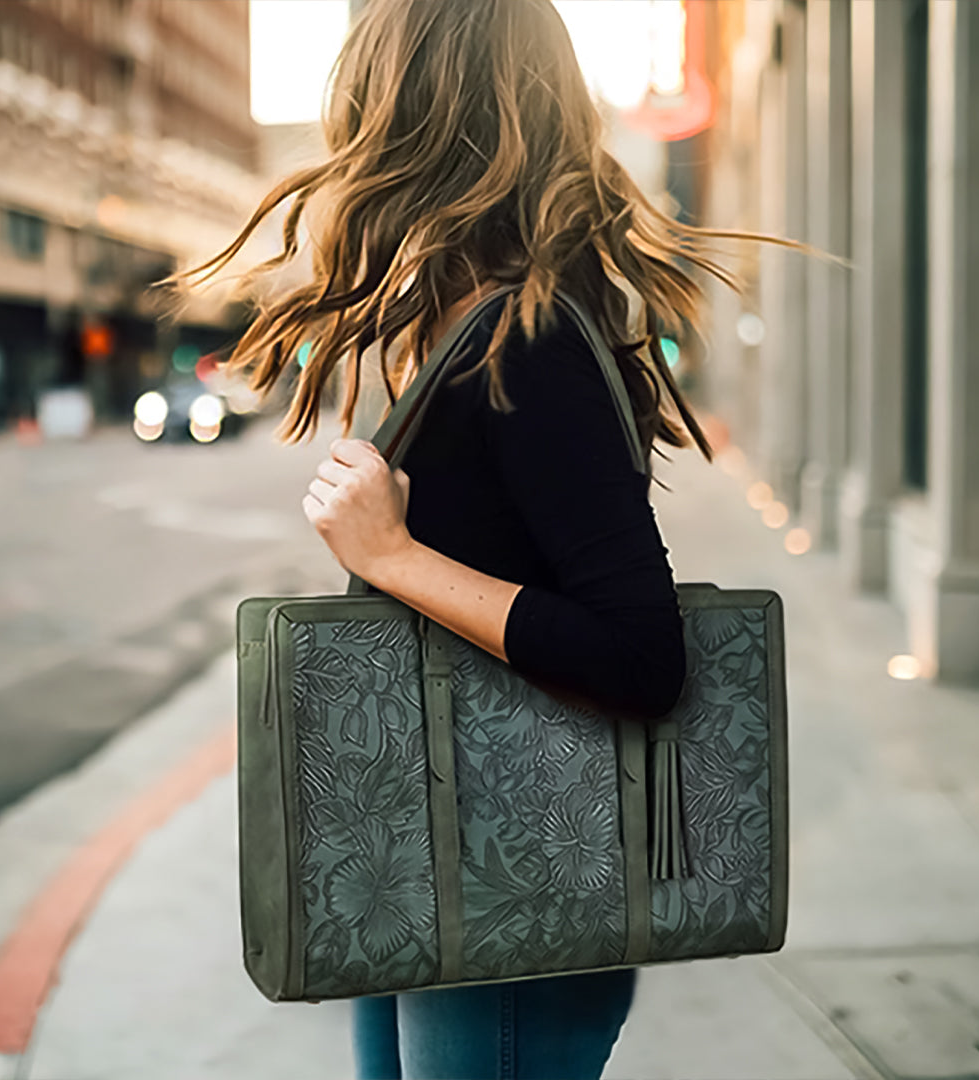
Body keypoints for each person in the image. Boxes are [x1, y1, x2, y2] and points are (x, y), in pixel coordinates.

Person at [171, 1, 802, 1075]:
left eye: (362, 92)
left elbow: (641, 655)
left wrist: (392, 556)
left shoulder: (534, 335)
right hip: (437, 856)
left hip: (518, 884)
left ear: (412, 110)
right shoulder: (470, 319)